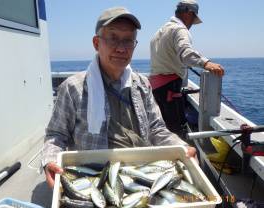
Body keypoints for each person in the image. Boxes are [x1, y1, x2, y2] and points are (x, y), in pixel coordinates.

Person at [41, 6, 196, 188]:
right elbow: (56, 134)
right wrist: (50, 160)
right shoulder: (72, 88)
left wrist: (182, 147)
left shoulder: (142, 85)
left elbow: (156, 129)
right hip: (94, 179)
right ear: (96, 43)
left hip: (140, 176)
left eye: (129, 40)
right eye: (113, 38)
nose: (121, 48)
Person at [150, 0, 225, 137]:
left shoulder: (159, 32)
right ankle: (179, 155)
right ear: (189, 14)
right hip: (170, 88)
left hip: (156, 88)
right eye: (193, 19)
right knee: (177, 129)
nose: (191, 25)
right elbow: (186, 53)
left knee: (162, 126)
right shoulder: (180, 30)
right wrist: (206, 63)